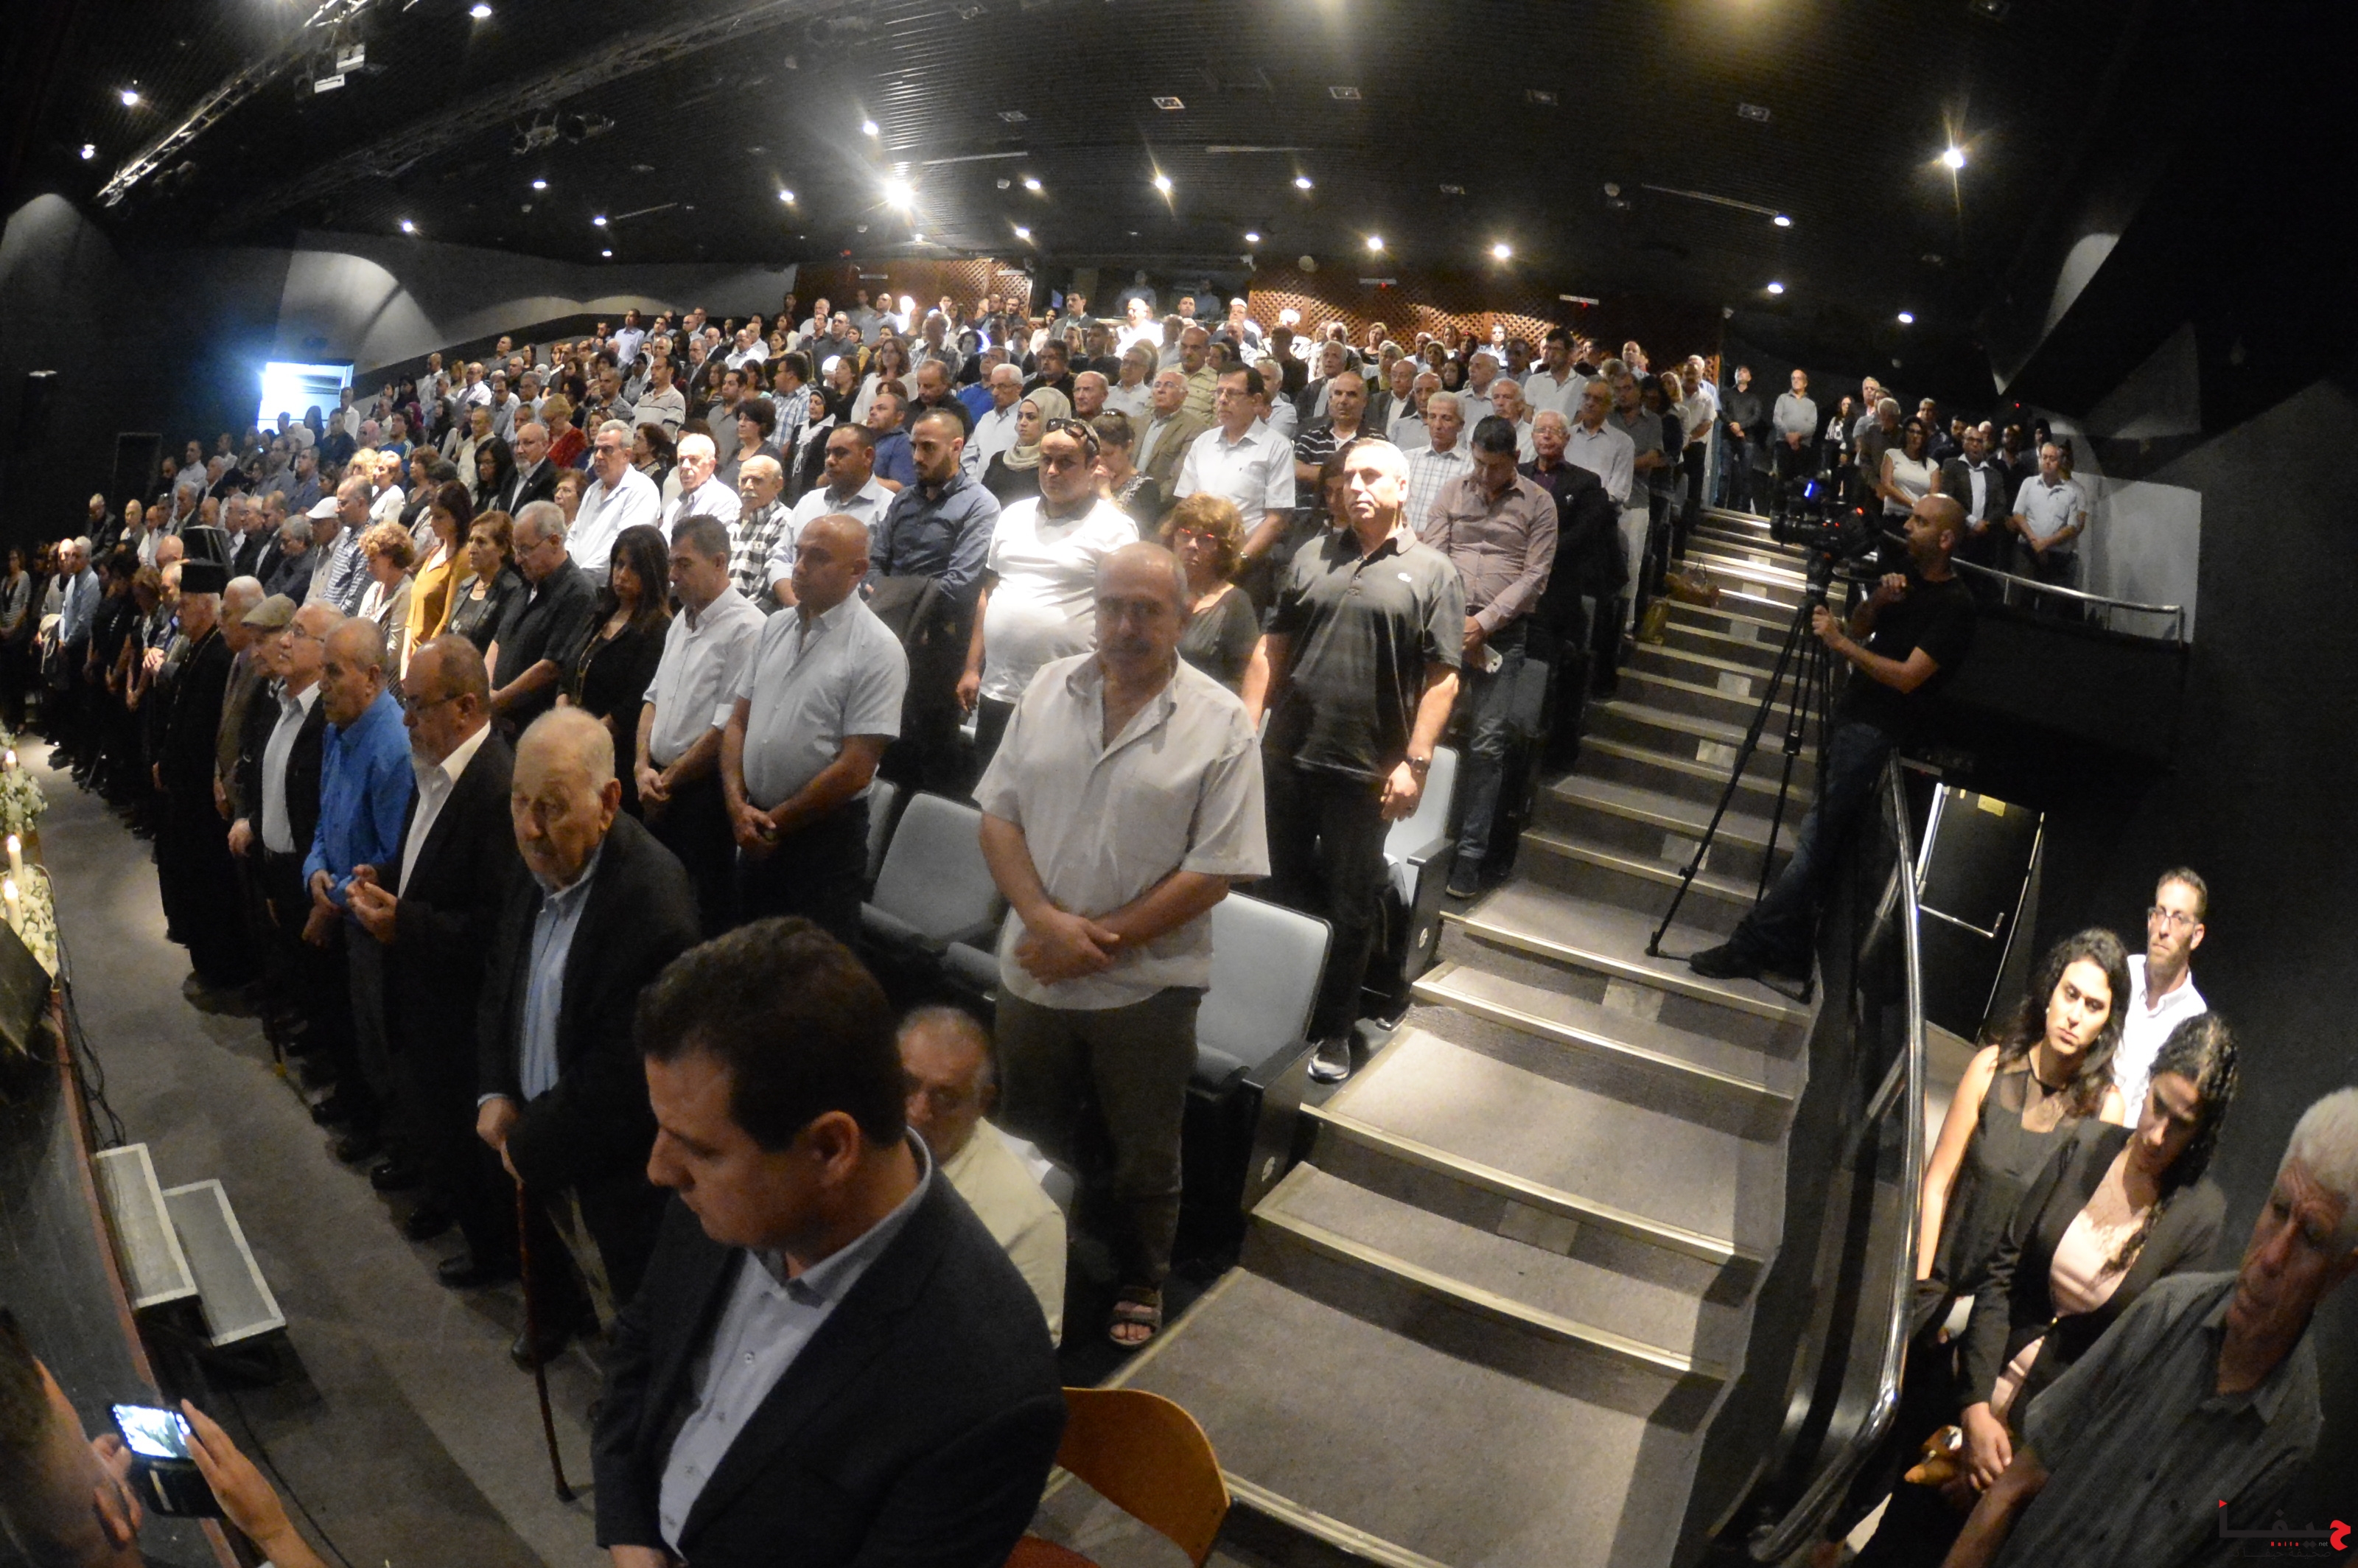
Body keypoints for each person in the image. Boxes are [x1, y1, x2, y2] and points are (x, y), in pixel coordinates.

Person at [595, 918, 1066, 1567]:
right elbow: (643, 1346)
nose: (660, 1170)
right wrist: (630, 1533)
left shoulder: (988, 1391)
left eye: (698, 1149)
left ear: (829, 1148)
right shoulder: (723, 1182)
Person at [979, 541, 1267, 1345]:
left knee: (1144, 1151)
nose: (1126, 625)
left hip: (1146, 985)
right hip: (1034, 966)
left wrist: (1090, 943)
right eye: (1112, 606)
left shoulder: (1221, 723)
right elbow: (998, 817)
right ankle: (1029, 1262)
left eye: (1148, 610)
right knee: (1028, 1131)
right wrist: (1045, 923)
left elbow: (1214, 870)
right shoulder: (1047, 687)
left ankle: (1142, 1275)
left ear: (1182, 617)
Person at [1944, 1088, 2358, 1568]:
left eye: (2311, 1237)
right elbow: (2015, 1484)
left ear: (2340, 1272)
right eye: (2279, 1209)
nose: (2272, 1257)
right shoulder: (2164, 1311)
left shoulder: (2289, 1434)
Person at [476, 707, 702, 1360]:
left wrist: (528, 1142)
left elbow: (621, 1081)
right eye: (520, 802)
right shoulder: (539, 859)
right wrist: (495, 1088)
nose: (529, 827)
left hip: (614, 1174)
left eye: (550, 807)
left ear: (607, 803)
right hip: (537, 1137)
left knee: (629, 1318)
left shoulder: (653, 907)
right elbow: (502, 978)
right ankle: (556, 1313)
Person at [1690, 496, 1976, 982]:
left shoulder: (1956, 606)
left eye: (1921, 521)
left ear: (1946, 539)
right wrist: (1879, 600)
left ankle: (1751, 944)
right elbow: (1861, 626)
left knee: (1815, 840)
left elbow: (1909, 677)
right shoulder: (1905, 577)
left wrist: (1840, 644)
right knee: (1818, 837)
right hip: (1852, 714)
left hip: (1877, 729)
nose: (1908, 526)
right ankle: (1790, 946)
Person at [1262, 438, 1463, 1082]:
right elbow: (1273, 646)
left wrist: (1416, 764)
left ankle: (1334, 1030)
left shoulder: (1433, 571)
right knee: (1276, 890)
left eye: (1371, 476)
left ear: (1403, 487)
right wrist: (1245, 726)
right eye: (1348, 476)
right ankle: (1275, 1019)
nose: (1356, 487)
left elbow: (1443, 679)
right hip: (1288, 756)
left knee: (1349, 907)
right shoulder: (1312, 554)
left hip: (1365, 770)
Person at [343, 637, 522, 1281]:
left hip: (462, 1012)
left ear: (466, 707)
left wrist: (405, 922)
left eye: (418, 705)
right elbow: (429, 866)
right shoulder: (438, 767)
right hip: (428, 996)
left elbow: (495, 929)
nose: (407, 719)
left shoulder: (495, 788)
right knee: (439, 1128)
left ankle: (497, 1258)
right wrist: (389, 878)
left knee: (467, 1141)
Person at [721, 516, 906, 945]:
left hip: (822, 843)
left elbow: (856, 768)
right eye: (799, 553)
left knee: (809, 973)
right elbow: (737, 722)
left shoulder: (878, 649)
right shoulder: (775, 626)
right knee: (746, 961)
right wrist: (736, 806)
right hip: (754, 824)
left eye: (818, 558)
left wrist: (771, 824)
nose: (800, 567)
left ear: (858, 571)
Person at [1421, 414, 1558, 898]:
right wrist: (1458, 621)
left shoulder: (1538, 503)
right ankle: (1419, 839)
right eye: (1478, 463)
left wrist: (1484, 624)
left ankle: (1469, 857)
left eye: (1494, 467)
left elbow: (1535, 576)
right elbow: (1434, 557)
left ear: (1515, 459)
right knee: (1425, 732)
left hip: (1503, 633)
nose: (1484, 475)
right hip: (1446, 625)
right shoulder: (1453, 492)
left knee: (1486, 745)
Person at [959, 419, 1140, 773]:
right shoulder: (1013, 515)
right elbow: (990, 594)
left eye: (1066, 462)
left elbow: (1124, 620)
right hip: (999, 690)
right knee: (988, 789)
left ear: (1093, 466)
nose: (1052, 471)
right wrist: (971, 667)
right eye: (1046, 460)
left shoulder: (1116, 529)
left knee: (1051, 795)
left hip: (1070, 698)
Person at [303, 617, 418, 1165]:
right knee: (352, 1025)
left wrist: (332, 898)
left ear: (372, 678)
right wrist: (314, 871)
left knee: (381, 1035)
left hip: (371, 923)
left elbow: (391, 859)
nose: (322, 684)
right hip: (339, 907)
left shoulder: (392, 748)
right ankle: (364, 1110)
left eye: (333, 672)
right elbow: (325, 817)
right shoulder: (337, 728)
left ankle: (396, 1138)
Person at [898, 1005, 1067, 1338]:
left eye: (945, 1098)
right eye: (906, 1085)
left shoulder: (1031, 1222)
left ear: (983, 1102)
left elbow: (1027, 1353)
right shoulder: (849, 1143)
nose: (917, 1112)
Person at [639, 515, 764, 937]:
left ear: (720, 562)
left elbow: (725, 727)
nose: (672, 575)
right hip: (658, 782)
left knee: (696, 916)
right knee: (653, 908)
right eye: (671, 564)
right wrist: (641, 767)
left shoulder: (748, 628)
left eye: (684, 564)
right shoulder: (682, 618)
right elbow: (653, 697)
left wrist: (667, 780)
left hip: (701, 794)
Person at [870, 410, 1001, 791]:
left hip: (939, 644)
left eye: (928, 448)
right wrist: (895, 599)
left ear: (956, 447)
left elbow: (960, 584)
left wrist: (894, 598)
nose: (917, 456)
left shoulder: (979, 505)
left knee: (933, 759)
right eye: (914, 446)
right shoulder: (904, 500)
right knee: (883, 746)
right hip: (889, 636)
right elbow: (876, 564)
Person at [562, 525, 671, 820]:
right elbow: (568, 671)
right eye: (619, 564)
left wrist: (583, 740)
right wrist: (562, 720)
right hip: (571, 740)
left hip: (610, 757)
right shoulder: (601, 613)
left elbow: (632, 705)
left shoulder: (658, 629)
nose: (622, 575)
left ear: (652, 573)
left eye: (634, 568)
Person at [1175, 365, 1296, 606]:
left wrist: (1237, 563)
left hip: (1246, 568)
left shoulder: (1276, 446)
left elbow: (1277, 519)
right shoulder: (1204, 442)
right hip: (1198, 561)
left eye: (1232, 393)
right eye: (1219, 392)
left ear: (1256, 400)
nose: (1222, 400)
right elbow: (1185, 504)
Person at [487, 501, 599, 737]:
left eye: (525, 549)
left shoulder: (578, 592)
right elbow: (499, 639)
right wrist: (486, 692)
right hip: (497, 721)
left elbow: (551, 667)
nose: (518, 560)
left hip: (532, 728)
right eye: (516, 549)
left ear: (555, 541)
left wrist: (497, 701)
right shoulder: (526, 583)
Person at [1161, 493, 1270, 717]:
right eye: (1185, 535)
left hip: (1201, 717)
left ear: (1223, 549)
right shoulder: (1156, 590)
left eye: (1205, 539)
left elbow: (1243, 680)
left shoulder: (1236, 603)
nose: (1192, 545)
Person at [2114, 869, 2210, 1114]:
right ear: (2150, 920)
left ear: (2196, 935)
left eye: (2179, 918)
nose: (2164, 928)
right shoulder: (2120, 974)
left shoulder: (2195, 1019)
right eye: (2159, 913)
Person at [571, 419, 662, 574]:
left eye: (606, 450)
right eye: (596, 449)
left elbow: (624, 547)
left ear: (626, 455)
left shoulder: (642, 489)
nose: (598, 456)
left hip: (612, 583)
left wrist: (579, 575)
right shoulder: (593, 490)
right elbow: (574, 534)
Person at [2005, 441, 2088, 593]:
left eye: (2052, 458)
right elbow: (2018, 514)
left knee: (2051, 602)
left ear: (2059, 462)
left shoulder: (2071, 493)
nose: (2048, 462)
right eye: (2044, 457)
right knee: (2022, 598)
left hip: (2057, 557)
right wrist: (2036, 543)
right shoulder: (2028, 483)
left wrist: (2045, 543)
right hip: (2027, 552)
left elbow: (2072, 527)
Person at [446, 511, 522, 654]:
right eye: (471, 540)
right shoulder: (465, 585)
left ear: (502, 549)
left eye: (481, 542)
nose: (472, 549)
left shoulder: (512, 590)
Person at [979, 388, 1069, 507]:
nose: (1022, 423)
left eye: (1031, 417)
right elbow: (981, 503)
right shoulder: (999, 459)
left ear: (1050, 420)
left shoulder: (1054, 467)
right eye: (1020, 416)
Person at [1133, 365, 1211, 497]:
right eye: (1157, 385)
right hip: (1125, 496)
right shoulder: (1137, 422)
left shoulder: (1194, 429)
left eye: (1169, 385)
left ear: (1183, 395)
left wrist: (1153, 502)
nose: (1161, 390)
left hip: (1160, 501)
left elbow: (1178, 478)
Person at [354, 522, 417, 674]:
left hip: (381, 677)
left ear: (390, 558)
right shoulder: (374, 588)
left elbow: (394, 652)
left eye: (373, 561)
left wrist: (360, 669)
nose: (368, 568)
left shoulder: (407, 593)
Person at [1090, 409, 1164, 537]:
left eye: (1108, 454)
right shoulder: (1087, 479)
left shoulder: (1147, 488)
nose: (1101, 461)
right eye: (1095, 454)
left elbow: (1135, 535)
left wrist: (1105, 493)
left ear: (1129, 447)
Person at [1771, 368, 1820, 492]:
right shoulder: (1783, 398)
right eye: (1793, 378)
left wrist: (1798, 436)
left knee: (1798, 482)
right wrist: (1788, 435)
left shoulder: (1811, 404)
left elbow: (1812, 426)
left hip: (1802, 447)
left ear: (1805, 383)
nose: (1795, 381)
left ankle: (1794, 504)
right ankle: (1778, 504)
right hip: (1783, 444)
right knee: (1780, 480)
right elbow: (1777, 419)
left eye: (1799, 378)